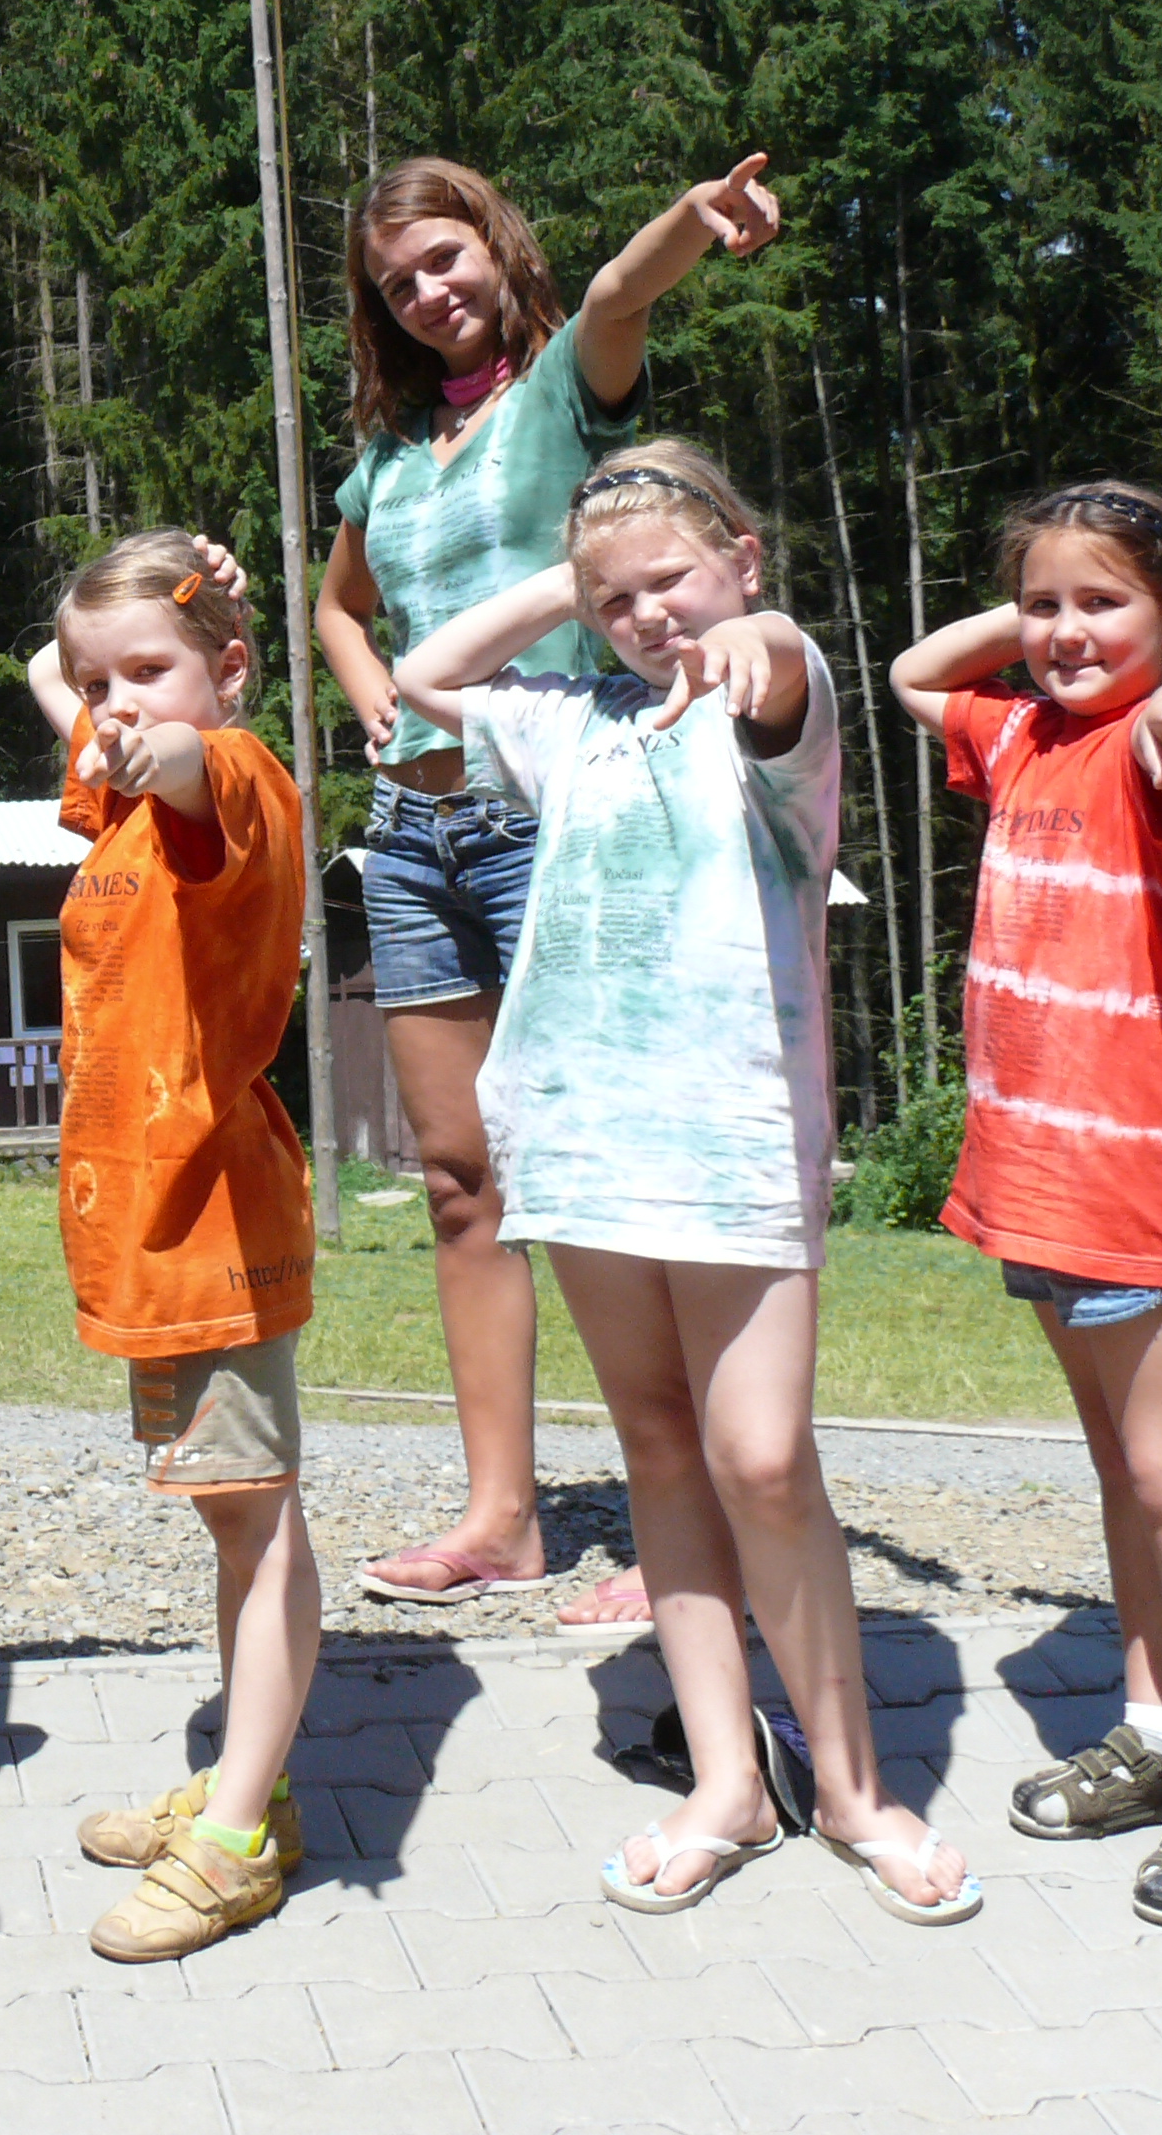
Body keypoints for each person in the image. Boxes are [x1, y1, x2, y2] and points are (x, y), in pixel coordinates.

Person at [394, 440, 976, 1925]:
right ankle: (730, 1781)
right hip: (580, 1133)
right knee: (659, 1447)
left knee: (763, 1460)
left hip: (731, 1135)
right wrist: (574, 578)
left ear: (744, 560)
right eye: (618, 601)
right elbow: (420, 677)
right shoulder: (567, 722)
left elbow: (775, 664)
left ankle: (858, 1791)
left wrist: (736, 629)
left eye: (675, 580)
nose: (648, 614)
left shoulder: (778, 702)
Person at [312, 155, 780, 1622]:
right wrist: (371, 694)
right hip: (413, 835)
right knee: (463, 1181)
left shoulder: (569, 389)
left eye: (444, 258)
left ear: (494, 246)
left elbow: (620, 293)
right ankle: (503, 1517)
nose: (428, 293)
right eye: (397, 283)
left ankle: (688, 1530)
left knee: (625, 1165)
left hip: (563, 815)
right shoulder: (389, 458)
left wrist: (692, 223)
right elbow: (338, 602)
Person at [890, 481, 1162, 1929]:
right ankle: (1155, 1727)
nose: (1063, 631)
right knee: (1122, 1471)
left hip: (1145, 1173)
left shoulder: (1156, 744)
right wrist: (1051, 620)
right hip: (1038, 1172)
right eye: (1042, 603)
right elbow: (914, 673)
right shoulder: (1022, 737)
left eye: (1101, 602)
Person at [17, 535, 323, 1962]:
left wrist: (170, 702)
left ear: (233, 673)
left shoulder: (231, 776)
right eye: (100, 684)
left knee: (259, 1523)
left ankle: (240, 1836)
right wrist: (164, 610)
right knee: (232, 1518)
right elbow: (62, 671)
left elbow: (191, 761)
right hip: (152, 1233)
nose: (115, 704)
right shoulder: (123, 788)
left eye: (150, 671)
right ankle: (251, 1779)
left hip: (214, 1226)